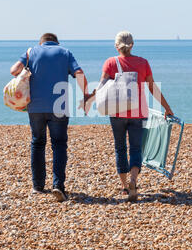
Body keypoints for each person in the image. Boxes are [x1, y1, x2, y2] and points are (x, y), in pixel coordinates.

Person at [84, 31, 173, 202]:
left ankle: (125, 187)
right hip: (137, 113)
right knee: (136, 148)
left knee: (120, 147)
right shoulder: (143, 63)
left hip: (116, 112)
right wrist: (167, 108)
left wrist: (89, 99)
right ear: (133, 45)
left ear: (116, 46)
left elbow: (102, 87)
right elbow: (152, 88)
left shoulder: (110, 63)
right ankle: (134, 181)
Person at [10, 33, 89, 202]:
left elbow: (13, 70)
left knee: (37, 142)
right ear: (56, 42)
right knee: (59, 144)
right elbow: (80, 73)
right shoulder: (65, 52)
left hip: (35, 106)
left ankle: (38, 186)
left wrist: (28, 70)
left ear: (41, 42)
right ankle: (58, 186)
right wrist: (87, 95)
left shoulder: (31, 52)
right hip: (59, 107)